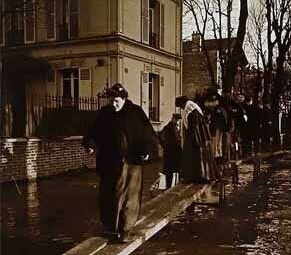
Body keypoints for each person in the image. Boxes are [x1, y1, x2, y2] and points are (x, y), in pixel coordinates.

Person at [85, 84, 158, 243]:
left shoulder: (135, 112)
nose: (113, 104)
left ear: (124, 99)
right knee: (109, 194)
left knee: (128, 197)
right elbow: (93, 132)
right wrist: (91, 145)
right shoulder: (104, 113)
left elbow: (146, 133)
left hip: (131, 163)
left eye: (116, 100)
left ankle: (125, 229)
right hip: (109, 162)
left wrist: (145, 150)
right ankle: (111, 227)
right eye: (111, 100)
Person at [176, 96, 216, 183]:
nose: (181, 108)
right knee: (200, 156)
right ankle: (200, 176)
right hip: (201, 135)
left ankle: (195, 177)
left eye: (180, 106)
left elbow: (193, 124)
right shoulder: (193, 106)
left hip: (195, 135)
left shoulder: (189, 108)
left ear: (183, 103)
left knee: (193, 156)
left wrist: (191, 138)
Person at [158, 111, 184, 189]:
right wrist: (165, 146)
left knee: (177, 170)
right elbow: (160, 136)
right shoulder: (168, 127)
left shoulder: (175, 127)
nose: (177, 122)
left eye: (178, 120)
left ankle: (176, 186)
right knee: (169, 172)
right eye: (176, 120)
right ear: (173, 119)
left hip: (175, 153)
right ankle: (168, 187)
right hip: (170, 153)